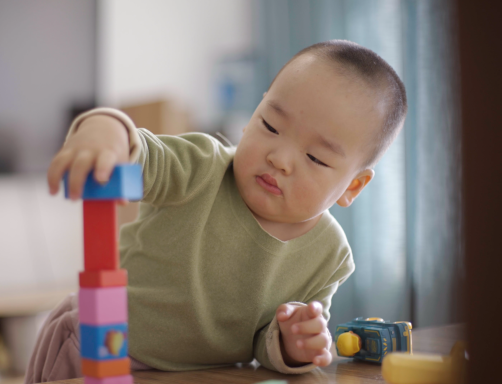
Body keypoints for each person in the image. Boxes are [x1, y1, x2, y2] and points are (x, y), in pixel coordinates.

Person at [25, 40, 407, 382]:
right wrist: (104, 129)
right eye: (270, 125)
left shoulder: (330, 255)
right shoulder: (202, 167)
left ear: (353, 186)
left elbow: (266, 342)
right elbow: (142, 152)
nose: (280, 158)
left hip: (213, 375)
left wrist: (293, 343)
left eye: (314, 157)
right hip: (101, 350)